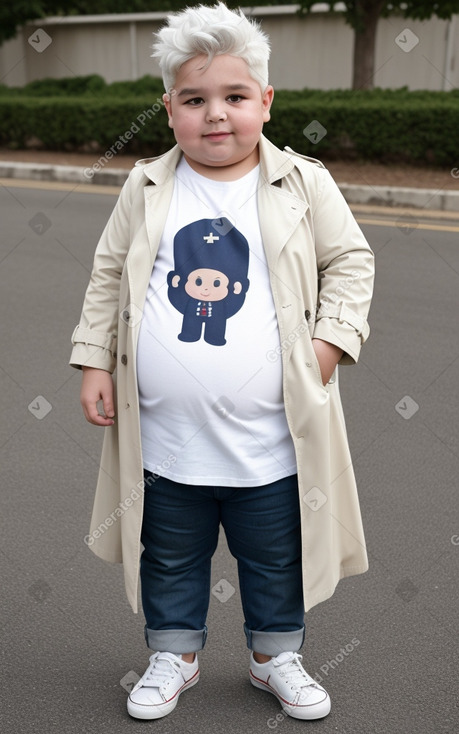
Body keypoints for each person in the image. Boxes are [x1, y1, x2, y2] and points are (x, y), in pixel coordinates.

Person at [70, 1, 374, 722]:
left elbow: (350, 261)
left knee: (275, 556)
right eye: (194, 99)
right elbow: (108, 275)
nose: (216, 115)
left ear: (264, 103)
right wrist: (93, 363)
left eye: (234, 97)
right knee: (168, 554)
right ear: (168, 108)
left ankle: (276, 660)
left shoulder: (304, 181)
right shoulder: (146, 185)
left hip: (273, 437)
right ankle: (171, 657)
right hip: (164, 438)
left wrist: (330, 344)